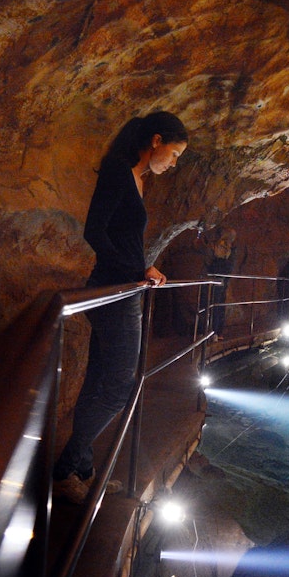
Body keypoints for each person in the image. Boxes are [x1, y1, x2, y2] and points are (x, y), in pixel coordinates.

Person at [53, 111, 188, 504]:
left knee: (99, 379)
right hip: (117, 290)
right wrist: (136, 270)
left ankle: (81, 468)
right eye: (175, 153)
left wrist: (141, 269)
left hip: (124, 286)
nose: (175, 163)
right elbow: (94, 230)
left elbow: (123, 237)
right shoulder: (117, 170)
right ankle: (65, 469)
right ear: (157, 141)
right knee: (119, 388)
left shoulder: (137, 178)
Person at [205, 227, 237, 339]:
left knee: (215, 304)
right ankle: (217, 331)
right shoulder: (229, 249)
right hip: (221, 278)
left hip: (217, 277)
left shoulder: (221, 247)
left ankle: (214, 331)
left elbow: (209, 261)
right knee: (217, 305)